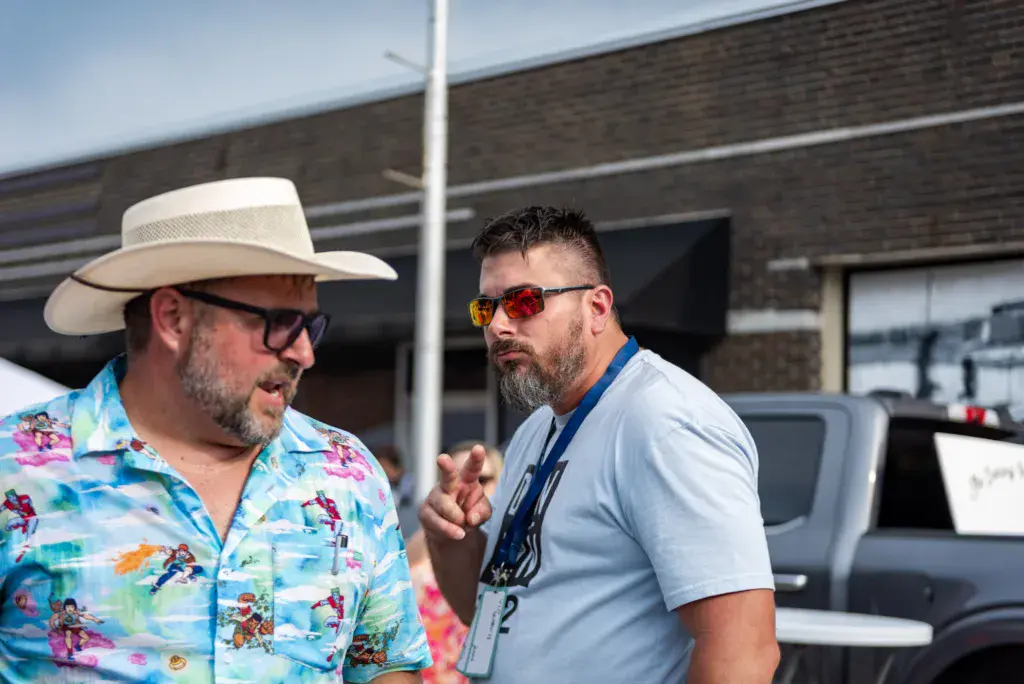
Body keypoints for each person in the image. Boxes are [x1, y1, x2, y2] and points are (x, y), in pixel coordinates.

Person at [0, 178, 431, 683]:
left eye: (310, 327)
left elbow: (385, 668)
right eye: (280, 323)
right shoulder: (17, 469)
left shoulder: (346, 471)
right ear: (173, 318)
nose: (303, 353)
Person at [419, 206, 779, 683]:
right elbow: (487, 612)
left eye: (523, 301)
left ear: (597, 307)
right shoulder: (536, 430)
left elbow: (743, 652)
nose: (499, 326)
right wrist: (451, 536)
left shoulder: (665, 421)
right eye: (485, 308)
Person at [405, 441, 504, 684]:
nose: (467, 489)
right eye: (455, 480)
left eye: (481, 479)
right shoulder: (422, 542)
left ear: (501, 481)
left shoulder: (513, 544)